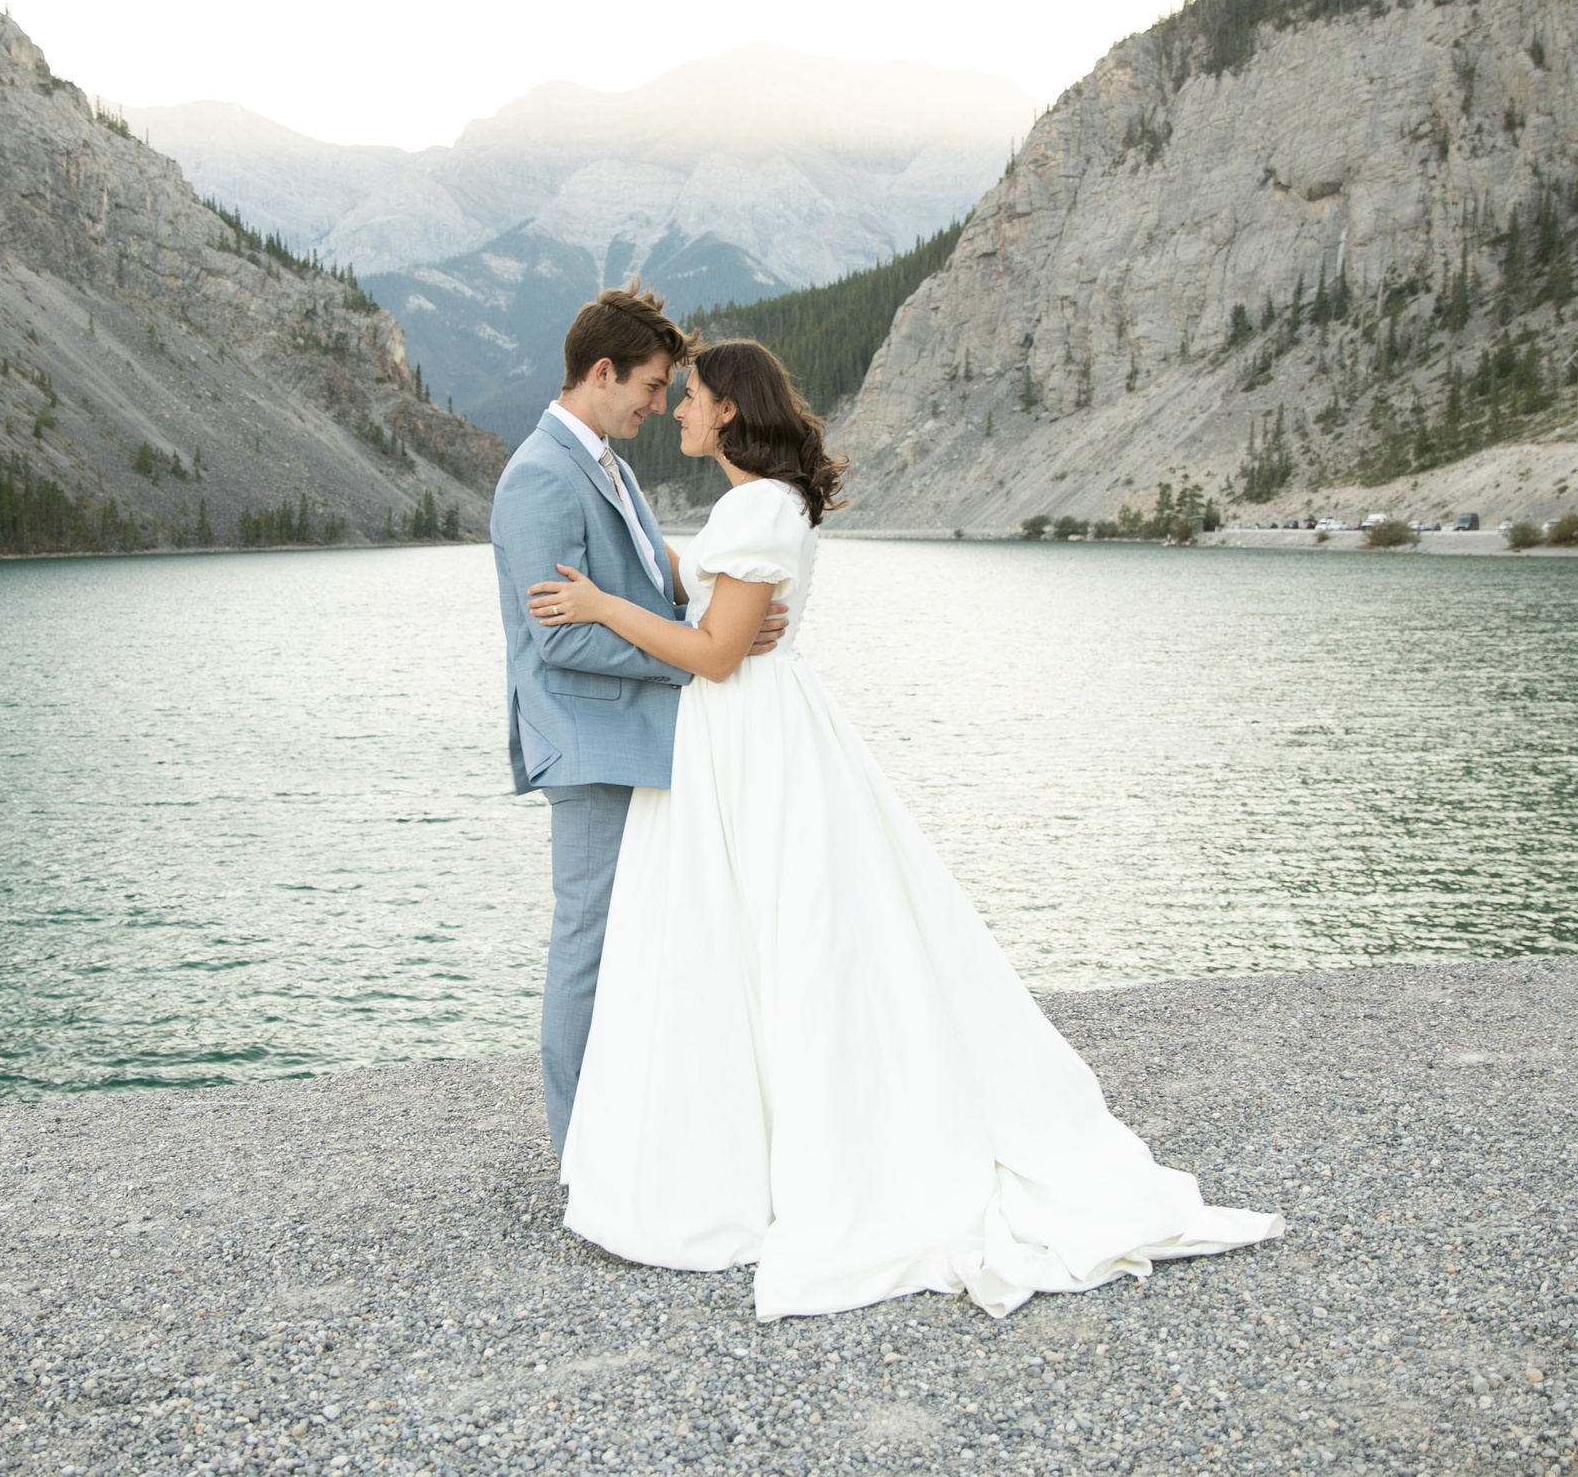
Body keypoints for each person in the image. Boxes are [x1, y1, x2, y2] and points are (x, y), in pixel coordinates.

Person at [524, 338, 1282, 1321]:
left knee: (751, 937)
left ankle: (744, 1167)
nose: (677, 408)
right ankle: (753, 1150)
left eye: (693, 396)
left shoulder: (757, 506)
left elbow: (714, 654)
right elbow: (707, 590)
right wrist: (652, 576)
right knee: (755, 939)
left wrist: (597, 605)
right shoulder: (758, 506)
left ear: (729, 410)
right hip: (747, 734)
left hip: (744, 732)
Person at [489, 284, 787, 1161]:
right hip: (589, 743)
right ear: (604, 372)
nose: (661, 407)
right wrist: (698, 652)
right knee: (587, 942)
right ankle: (579, 1149)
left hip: (639, 737)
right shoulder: (541, 474)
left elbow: (648, 579)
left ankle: (632, 1125)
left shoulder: (606, 463)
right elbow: (560, 638)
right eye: (652, 388)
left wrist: (727, 607)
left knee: (638, 938)